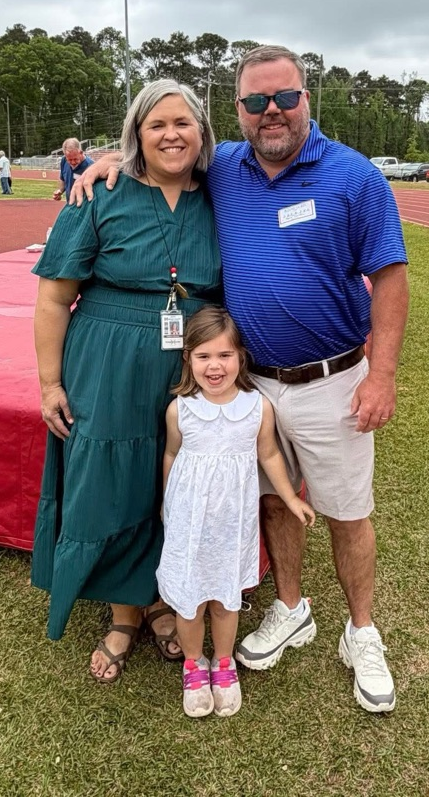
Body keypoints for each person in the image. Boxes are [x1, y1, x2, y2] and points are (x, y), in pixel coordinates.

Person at [72, 45, 409, 713]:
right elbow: (159, 153)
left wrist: (384, 375)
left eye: (284, 97)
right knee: (276, 501)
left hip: (332, 377)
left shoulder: (354, 177)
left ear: (307, 97)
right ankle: (290, 606)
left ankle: (363, 631)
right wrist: (109, 161)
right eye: (256, 102)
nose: (272, 112)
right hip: (252, 381)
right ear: (238, 112)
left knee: (345, 511)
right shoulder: (224, 166)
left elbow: (392, 278)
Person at [31, 79, 222, 685]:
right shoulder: (100, 194)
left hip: (192, 363)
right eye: (156, 124)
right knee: (114, 480)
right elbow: (55, 295)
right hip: (108, 361)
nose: (171, 134)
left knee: (174, 480)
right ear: (136, 134)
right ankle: (123, 615)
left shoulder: (221, 195)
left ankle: (164, 599)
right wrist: (49, 383)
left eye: (183, 123)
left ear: (202, 132)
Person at [158, 306, 315, 718]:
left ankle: (223, 662)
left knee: (226, 600)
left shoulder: (256, 407)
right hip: (190, 522)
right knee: (190, 600)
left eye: (224, 355)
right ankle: (195, 664)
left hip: (231, 525)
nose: (215, 366)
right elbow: (172, 456)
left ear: (240, 358)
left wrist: (292, 496)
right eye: (203, 356)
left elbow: (270, 455)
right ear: (188, 359)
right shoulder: (181, 409)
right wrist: (166, 503)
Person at [53, 138, 95, 202]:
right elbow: (63, 179)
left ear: (81, 152)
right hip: (70, 204)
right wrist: (60, 191)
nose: (73, 162)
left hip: (84, 206)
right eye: (69, 160)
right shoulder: (64, 160)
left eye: (75, 159)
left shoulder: (91, 166)